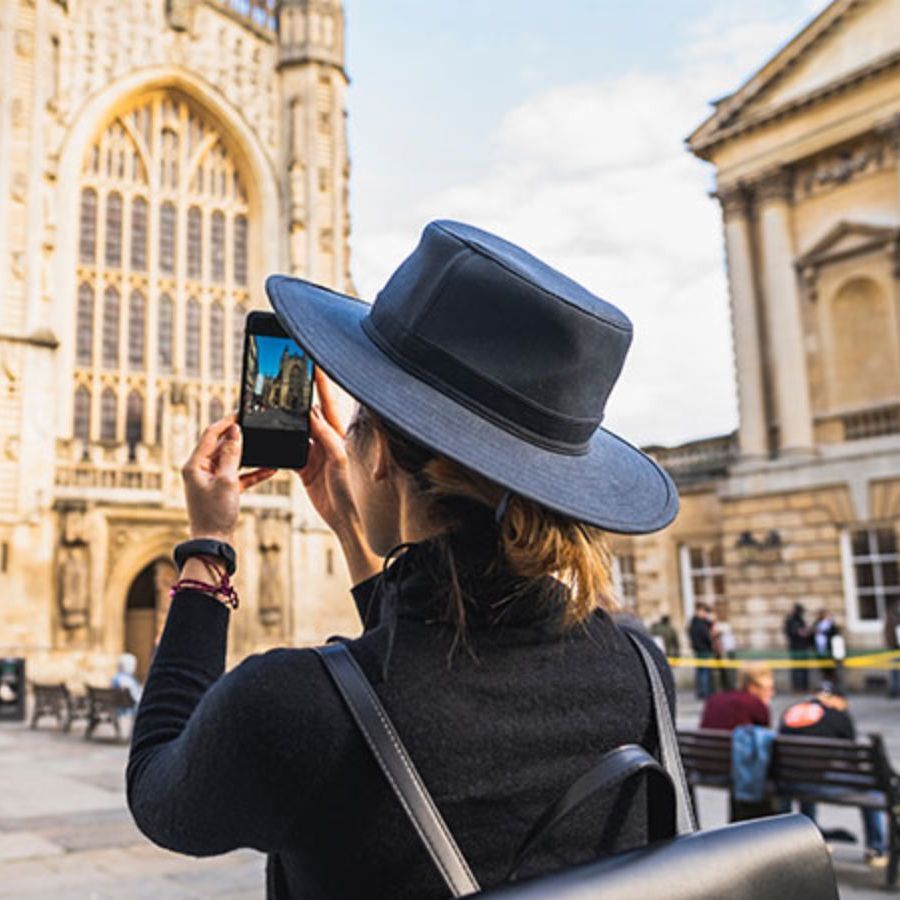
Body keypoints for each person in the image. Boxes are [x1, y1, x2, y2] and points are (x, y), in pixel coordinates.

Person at [125, 221, 680, 899]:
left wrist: (207, 549)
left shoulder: (292, 707)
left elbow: (159, 791)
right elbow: (428, 664)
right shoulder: (637, 668)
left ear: (380, 454)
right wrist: (350, 526)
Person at [779, 684, 888, 868]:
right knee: (871, 788)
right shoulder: (838, 715)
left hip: (787, 782)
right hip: (818, 782)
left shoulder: (792, 711)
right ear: (837, 700)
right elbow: (853, 759)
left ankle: (810, 839)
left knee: (809, 772)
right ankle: (876, 849)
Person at [700, 663, 774, 731]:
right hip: (732, 745)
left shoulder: (714, 699)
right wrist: (763, 706)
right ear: (753, 687)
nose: (772, 693)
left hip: (703, 745)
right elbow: (764, 736)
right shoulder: (755, 704)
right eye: (768, 689)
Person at [688, 602, 715, 699]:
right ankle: (704, 692)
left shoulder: (694, 623)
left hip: (699, 649)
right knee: (704, 673)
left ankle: (701, 692)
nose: (705, 614)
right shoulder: (699, 624)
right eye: (703, 612)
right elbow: (706, 637)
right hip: (703, 649)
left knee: (701, 672)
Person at [784, 603, 812, 692]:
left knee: (803, 669)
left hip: (802, 647)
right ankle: (797, 687)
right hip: (796, 648)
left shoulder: (800, 620)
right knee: (797, 668)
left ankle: (804, 687)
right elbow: (795, 632)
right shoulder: (791, 620)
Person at [884, 597, 900, 699]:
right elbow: (888, 632)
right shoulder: (891, 615)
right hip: (895, 648)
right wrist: (891, 645)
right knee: (895, 670)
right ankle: (895, 690)